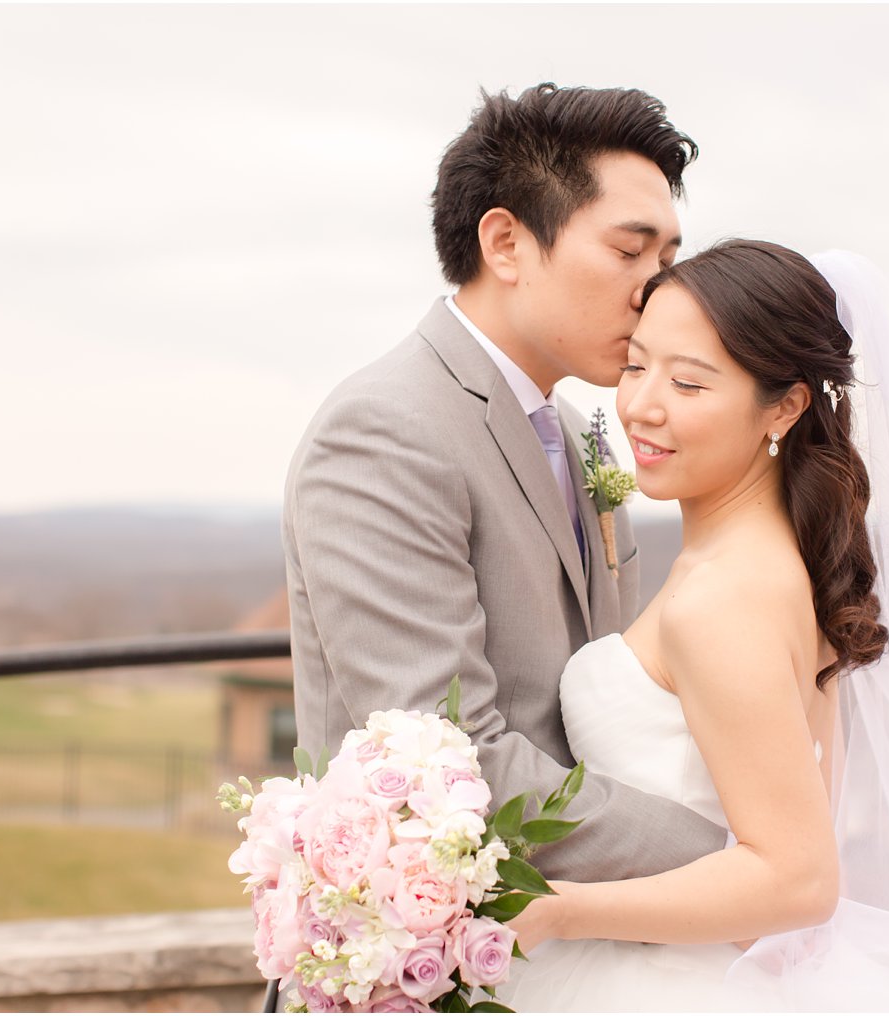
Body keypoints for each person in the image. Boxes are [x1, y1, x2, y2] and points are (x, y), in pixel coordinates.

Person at [497, 240, 889, 1011]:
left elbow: (797, 878)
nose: (641, 405)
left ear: (786, 405)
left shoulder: (722, 598)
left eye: (689, 382)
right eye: (636, 365)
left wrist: (563, 909)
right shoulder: (776, 558)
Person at [282, 83, 729, 892]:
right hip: (437, 960)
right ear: (506, 244)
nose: (659, 289)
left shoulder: (582, 428)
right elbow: (451, 760)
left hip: (577, 926)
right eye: (630, 253)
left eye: (667, 260)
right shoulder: (385, 431)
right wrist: (738, 861)